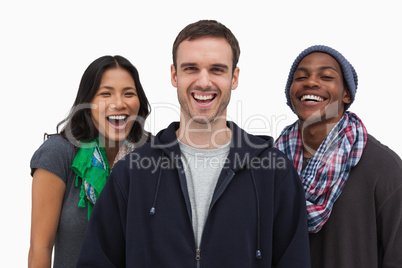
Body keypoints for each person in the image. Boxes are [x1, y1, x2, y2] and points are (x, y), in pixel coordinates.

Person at [76, 20, 311, 267]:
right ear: (174, 75)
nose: (203, 82)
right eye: (191, 68)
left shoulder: (275, 172)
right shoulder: (132, 173)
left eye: (217, 70)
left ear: (234, 78)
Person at [275, 45, 402, 267]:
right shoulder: (269, 165)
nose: (311, 83)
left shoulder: (383, 167)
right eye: (301, 77)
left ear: (346, 93)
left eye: (326, 76)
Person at [29, 55, 151, 268]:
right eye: (106, 94)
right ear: (87, 103)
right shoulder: (58, 153)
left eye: (129, 94)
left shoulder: (153, 154)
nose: (119, 103)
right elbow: (41, 248)